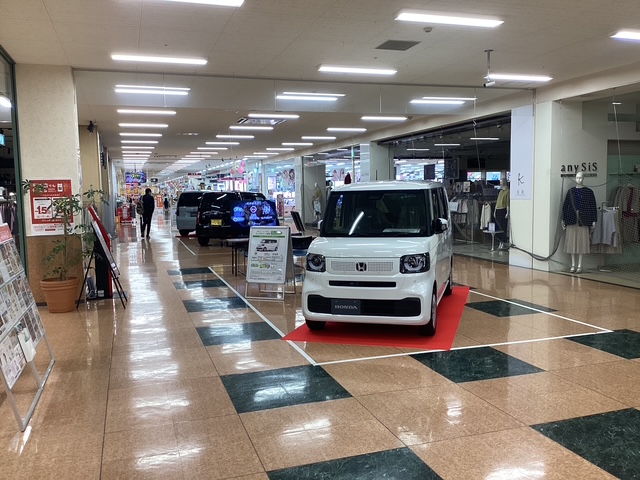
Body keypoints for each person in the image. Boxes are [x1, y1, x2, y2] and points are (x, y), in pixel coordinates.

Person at [562, 171, 597, 273]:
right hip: (571, 219)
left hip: (584, 219)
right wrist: (563, 219)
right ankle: (573, 265)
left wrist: (594, 220)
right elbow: (566, 206)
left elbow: (593, 206)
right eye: (577, 177)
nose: (579, 180)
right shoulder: (570, 191)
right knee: (571, 243)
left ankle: (580, 265)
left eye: (581, 177)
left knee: (582, 243)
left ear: (583, 178)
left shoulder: (589, 192)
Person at [494, 178, 510, 250]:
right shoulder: (500, 191)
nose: (500, 183)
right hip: (498, 209)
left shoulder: (508, 191)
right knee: (498, 227)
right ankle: (500, 242)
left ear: (504, 182)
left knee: (503, 227)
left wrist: (507, 212)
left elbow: (507, 203)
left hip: (503, 210)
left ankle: (503, 242)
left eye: (501, 182)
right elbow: (497, 202)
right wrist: (495, 211)